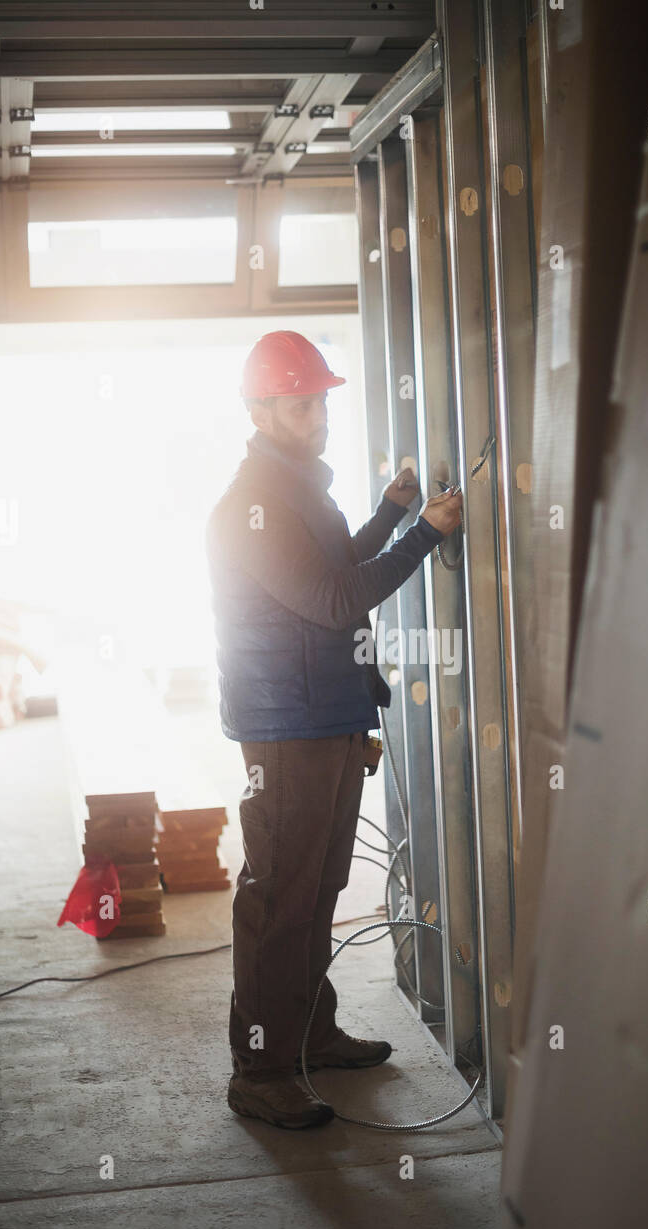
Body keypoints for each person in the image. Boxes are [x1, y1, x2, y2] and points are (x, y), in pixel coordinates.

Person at [206, 330, 463, 1130]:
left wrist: (390, 512)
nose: (317, 416)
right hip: (287, 727)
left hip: (328, 712)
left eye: (320, 401)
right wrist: (425, 535)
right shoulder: (255, 502)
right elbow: (330, 603)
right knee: (279, 897)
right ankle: (259, 1069)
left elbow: (329, 573)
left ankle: (309, 1032)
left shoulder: (297, 491)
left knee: (318, 889)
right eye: (299, 404)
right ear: (259, 410)